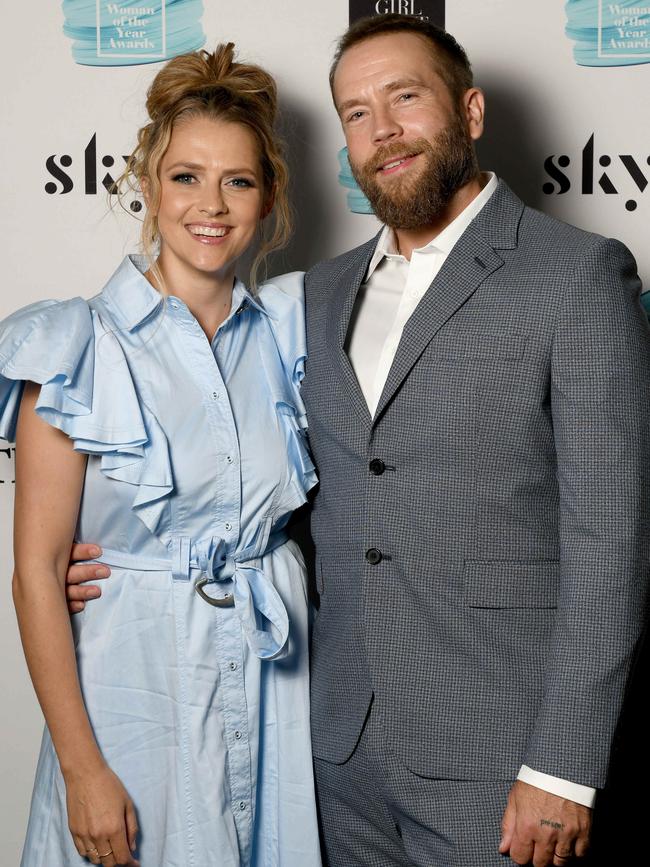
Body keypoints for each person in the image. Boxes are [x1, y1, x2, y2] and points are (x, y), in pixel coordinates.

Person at [65, 13, 650, 867]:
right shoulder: (315, 298)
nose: (382, 130)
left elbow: (612, 544)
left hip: (499, 761)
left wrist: (562, 766)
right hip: (330, 752)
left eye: (405, 97)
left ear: (472, 112)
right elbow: (285, 486)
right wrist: (133, 558)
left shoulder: (575, 276)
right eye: (356, 112)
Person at [0, 43, 321, 867]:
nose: (210, 205)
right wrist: (82, 768)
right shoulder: (76, 343)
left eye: (238, 180)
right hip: (131, 700)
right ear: (147, 184)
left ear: (269, 195)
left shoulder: (294, 335)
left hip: (272, 688)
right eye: (186, 176)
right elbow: (38, 572)